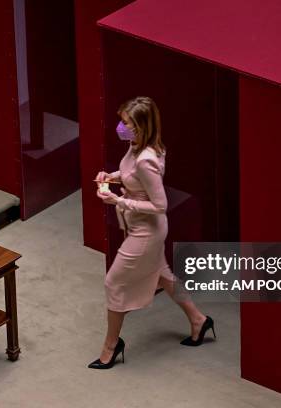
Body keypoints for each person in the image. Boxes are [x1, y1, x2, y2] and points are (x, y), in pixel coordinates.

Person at [89, 96, 215, 369]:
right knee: (164, 275)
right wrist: (112, 177)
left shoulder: (146, 159)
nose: (120, 127)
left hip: (147, 231)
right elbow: (133, 178)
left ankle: (111, 346)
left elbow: (160, 205)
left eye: (126, 123)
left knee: (114, 282)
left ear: (141, 126)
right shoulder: (137, 147)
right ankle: (198, 320)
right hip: (139, 225)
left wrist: (118, 200)